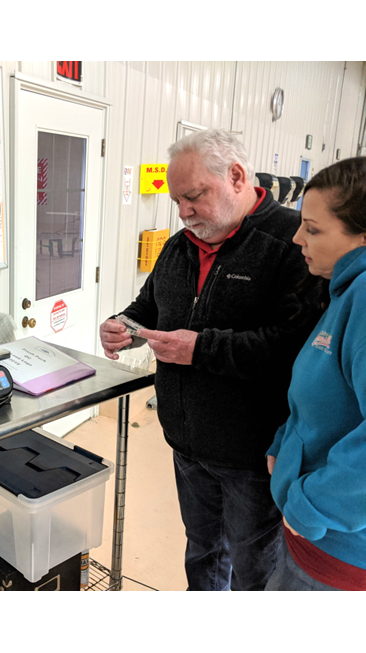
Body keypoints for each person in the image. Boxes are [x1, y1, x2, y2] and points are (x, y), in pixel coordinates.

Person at [99, 129, 319, 591]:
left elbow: (293, 348)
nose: (183, 212)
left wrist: (199, 348)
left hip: (253, 454)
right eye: (177, 200)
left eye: (193, 197)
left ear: (236, 177)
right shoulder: (180, 245)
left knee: (254, 566)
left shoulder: (293, 244)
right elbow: (149, 307)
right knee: (201, 551)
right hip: (186, 443)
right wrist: (124, 326)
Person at [265, 157, 366, 591]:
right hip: (314, 541)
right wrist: (284, 444)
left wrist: (310, 507)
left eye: (314, 228)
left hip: (338, 554)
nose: (297, 237)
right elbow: (325, 395)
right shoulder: (344, 290)